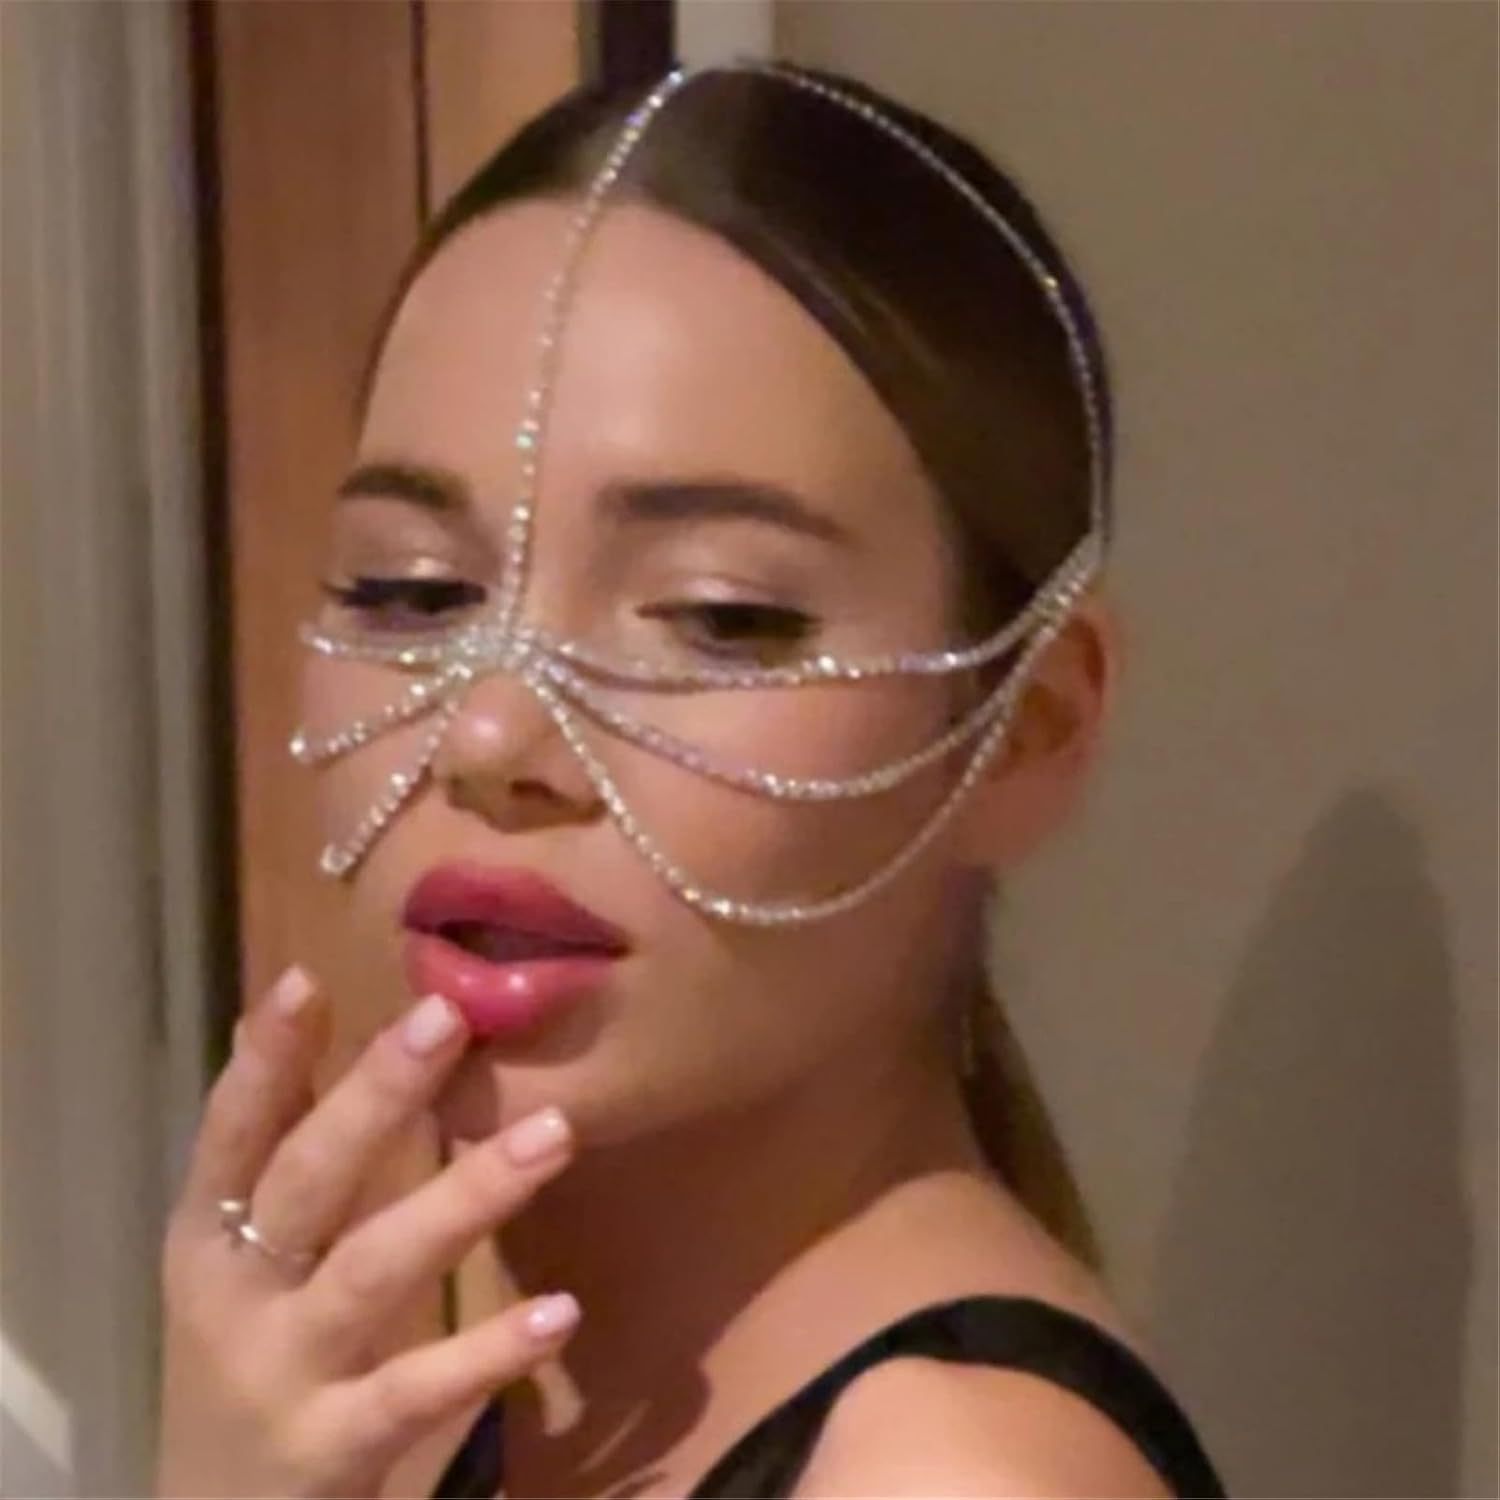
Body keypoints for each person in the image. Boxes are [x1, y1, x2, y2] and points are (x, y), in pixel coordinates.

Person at [156, 60, 1227, 1499]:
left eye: (720, 616)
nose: (489, 736)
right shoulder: (477, 1421)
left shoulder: (951, 1474)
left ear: (1026, 731)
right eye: (409, 592)